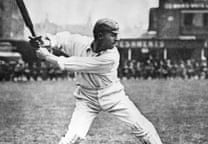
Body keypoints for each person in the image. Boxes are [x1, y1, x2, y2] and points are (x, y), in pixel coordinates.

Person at [30, 18, 163, 144]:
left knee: (142, 127)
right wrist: (45, 43)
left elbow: (73, 64)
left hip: (113, 96)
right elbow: (61, 39)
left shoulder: (111, 57)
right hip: (87, 98)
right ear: (100, 36)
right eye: (113, 35)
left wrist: (46, 55)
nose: (117, 39)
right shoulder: (80, 42)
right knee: (73, 137)